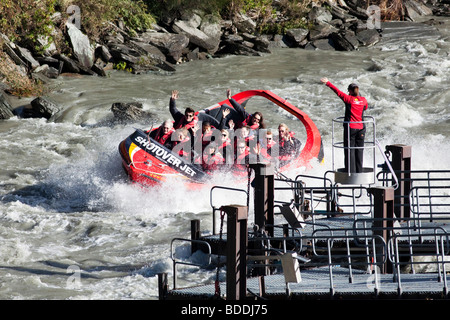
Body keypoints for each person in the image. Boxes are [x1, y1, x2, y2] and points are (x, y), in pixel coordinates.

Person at [321, 77, 368, 173]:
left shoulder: (348, 99)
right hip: (361, 129)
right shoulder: (363, 100)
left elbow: (337, 91)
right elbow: (365, 108)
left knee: (349, 151)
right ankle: (359, 172)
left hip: (350, 129)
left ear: (350, 91)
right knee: (359, 151)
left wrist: (328, 83)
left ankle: (350, 173)